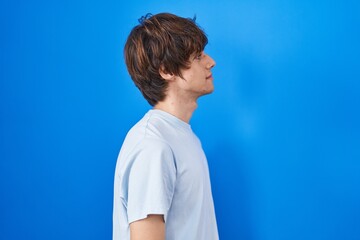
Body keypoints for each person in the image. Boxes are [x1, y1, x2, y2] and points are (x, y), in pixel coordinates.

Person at [113, 13, 218, 240]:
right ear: (166, 71)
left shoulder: (184, 138)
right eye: (198, 56)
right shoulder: (152, 145)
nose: (211, 62)